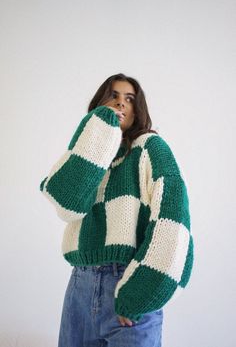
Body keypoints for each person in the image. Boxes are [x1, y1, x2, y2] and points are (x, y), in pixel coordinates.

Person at [39, 73, 194, 347]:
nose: (121, 103)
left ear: (138, 108)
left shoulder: (151, 148)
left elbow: (173, 225)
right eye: (113, 96)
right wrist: (98, 133)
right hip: (80, 284)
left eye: (129, 99)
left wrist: (140, 294)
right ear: (100, 103)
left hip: (128, 284)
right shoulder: (87, 151)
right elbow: (67, 206)